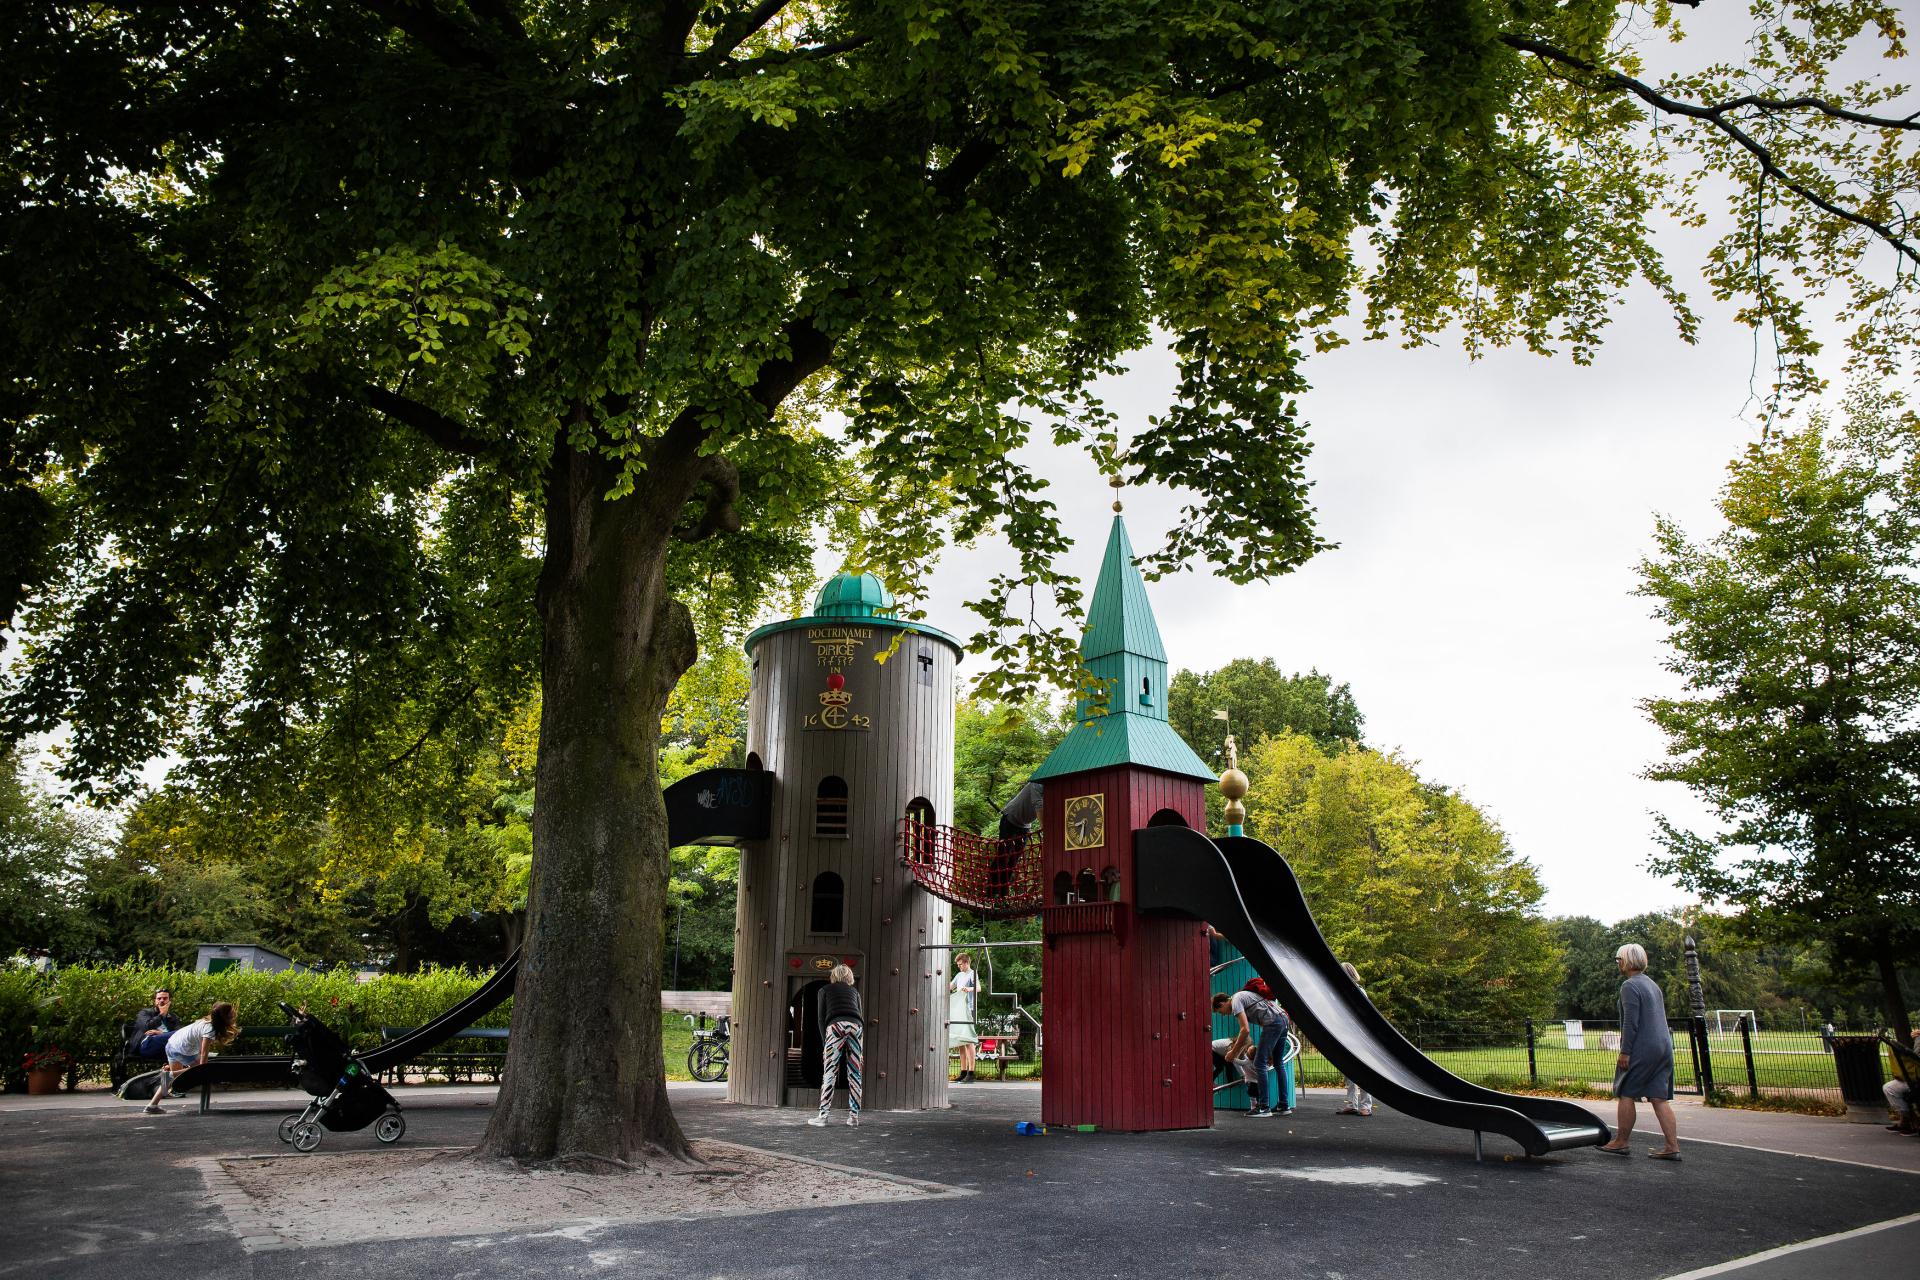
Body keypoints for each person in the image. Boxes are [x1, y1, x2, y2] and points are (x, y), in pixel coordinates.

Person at [1596, 944, 1680, 1160]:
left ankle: (1621, 1142)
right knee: (1659, 1097)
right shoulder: (1652, 985)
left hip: (1643, 1047)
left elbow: (1631, 1022)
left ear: (1626, 961)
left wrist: (1625, 1052)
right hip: (1663, 1046)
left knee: (1626, 1092)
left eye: (1618, 959)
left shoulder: (1629, 986)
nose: (1617, 963)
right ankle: (1672, 1146)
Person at [146, 1001, 240, 1115]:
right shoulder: (210, 1029)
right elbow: (204, 1052)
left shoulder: (207, 1020)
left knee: (172, 1078)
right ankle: (170, 1074)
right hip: (181, 1049)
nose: (234, 1015)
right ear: (225, 1017)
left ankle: (152, 1105)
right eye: (232, 1014)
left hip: (172, 1044)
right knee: (201, 1070)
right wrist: (203, 1068)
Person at [1213, 988, 1290, 1117]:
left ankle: (1264, 1107)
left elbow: (1245, 1030)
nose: (1224, 1015)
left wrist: (1233, 1052)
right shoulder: (1242, 997)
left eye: (1221, 1012)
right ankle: (1284, 1104)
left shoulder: (1236, 1001)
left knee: (1260, 1063)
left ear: (1222, 1004)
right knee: (1278, 1062)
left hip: (1273, 1022)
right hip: (1282, 1018)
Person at [809, 964, 863, 1127]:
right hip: (856, 1026)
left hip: (836, 1026)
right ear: (849, 977)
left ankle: (823, 1117)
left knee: (830, 1071)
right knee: (855, 1073)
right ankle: (854, 1117)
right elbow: (859, 1013)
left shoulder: (824, 990)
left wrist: (826, 1044)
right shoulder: (855, 992)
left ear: (834, 976)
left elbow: (820, 1018)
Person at [1334, 962, 1373, 1117]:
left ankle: (1366, 1106)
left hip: (1359, 1036)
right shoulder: (1341, 992)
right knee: (1348, 1070)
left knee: (1363, 1070)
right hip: (1346, 1035)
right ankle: (1352, 1104)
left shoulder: (1359, 992)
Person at [1882, 1028, 1920, 1135]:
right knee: (1889, 1087)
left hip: (1916, 1079)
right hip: (1914, 1078)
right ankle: (1907, 1119)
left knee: (1890, 1088)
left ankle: (1909, 1120)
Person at [949, 952, 979, 1083]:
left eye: (961, 965)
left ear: (966, 963)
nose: (959, 967)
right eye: (958, 965)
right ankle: (963, 1071)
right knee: (960, 1040)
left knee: (968, 1040)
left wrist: (968, 988)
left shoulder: (972, 974)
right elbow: (950, 987)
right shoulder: (959, 975)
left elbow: (978, 988)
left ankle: (971, 1072)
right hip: (959, 1010)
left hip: (968, 1008)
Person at [128, 988, 181, 1062]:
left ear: (169, 1001)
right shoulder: (144, 1013)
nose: (162, 1000)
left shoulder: (173, 1017)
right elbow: (147, 1027)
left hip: (167, 1047)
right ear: (155, 1001)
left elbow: (179, 1033)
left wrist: (162, 1033)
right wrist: (161, 1015)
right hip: (147, 1044)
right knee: (183, 1035)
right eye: (159, 998)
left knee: (183, 1038)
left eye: (165, 998)